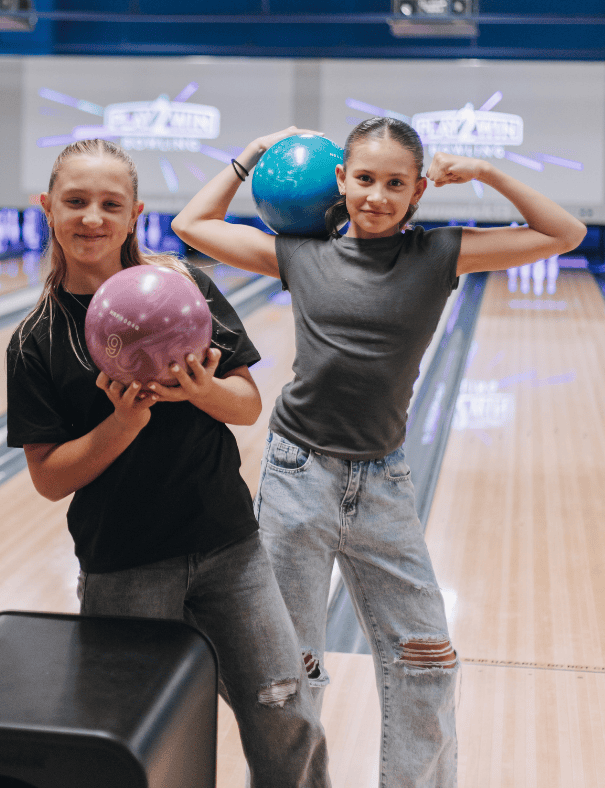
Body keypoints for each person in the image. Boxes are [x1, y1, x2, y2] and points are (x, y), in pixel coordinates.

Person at [171, 117, 587, 786]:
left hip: (384, 482)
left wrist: (486, 173)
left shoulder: (440, 253)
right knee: (289, 668)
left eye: (396, 184)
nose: (377, 195)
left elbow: (563, 235)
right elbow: (194, 224)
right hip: (297, 472)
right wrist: (252, 155)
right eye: (364, 179)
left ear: (419, 190)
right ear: (342, 180)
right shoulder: (300, 254)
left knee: (428, 660)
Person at [6, 139, 330, 787]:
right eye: (75, 202)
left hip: (230, 551)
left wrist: (202, 391)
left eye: (110, 204)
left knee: (287, 714)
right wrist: (123, 423)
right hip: (123, 565)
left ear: (135, 215)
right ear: (46, 207)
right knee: (139, 741)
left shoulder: (186, 289)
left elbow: (244, 405)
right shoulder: (37, 337)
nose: (92, 217)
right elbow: (49, 478)